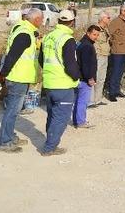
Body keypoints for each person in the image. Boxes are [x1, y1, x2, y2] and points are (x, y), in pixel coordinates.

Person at [0, 7, 44, 153]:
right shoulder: (24, 34)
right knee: (12, 111)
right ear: (36, 20)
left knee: (14, 111)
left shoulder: (22, 28)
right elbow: (12, 56)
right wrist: (2, 74)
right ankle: (5, 142)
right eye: (41, 20)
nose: (42, 22)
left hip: (19, 77)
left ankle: (10, 136)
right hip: (18, 78)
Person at [39, 10, 81, 156]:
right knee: (61, 118)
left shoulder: (48, 36)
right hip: (63, 84)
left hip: (49, 83)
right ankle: (49, 147)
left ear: (58, 21)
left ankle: (51, 142)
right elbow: (70, 65)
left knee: (52, 115)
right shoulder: (67, 39)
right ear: (72, 22)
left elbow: (41, 60)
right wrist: (77, 77)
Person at [73, 25, 100, 128]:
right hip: (84, 78)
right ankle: (80, 122)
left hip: (79, 76)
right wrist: (90, 78)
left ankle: (77, 120)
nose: (96, 37)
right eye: (94, 34)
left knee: (78, 100)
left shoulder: (81, 42)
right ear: (88, 33)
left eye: (97, 35)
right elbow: (86, 64)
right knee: (82, 101)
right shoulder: (87, 46)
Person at [107, 5, 125, 102]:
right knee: (115, 72)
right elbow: (109, 34)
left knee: (120, 72)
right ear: (123, 12)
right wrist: (114, 43)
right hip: (117, 51)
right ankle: (111, 93)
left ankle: (117, 90)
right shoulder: (115, 22)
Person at [90, 11, 111, 107]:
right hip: (98, 55)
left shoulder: (105, 29)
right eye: (108, 17)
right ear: (102, 19)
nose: (109, 19)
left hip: (105, 54)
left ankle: (98, 99)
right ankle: (91, 100)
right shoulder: (95, 29)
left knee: (101, 78)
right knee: (95, 78)